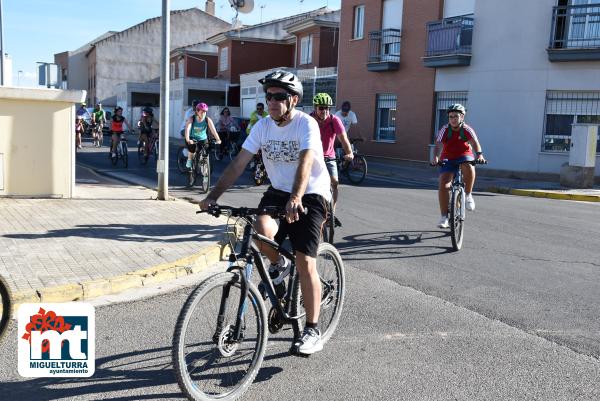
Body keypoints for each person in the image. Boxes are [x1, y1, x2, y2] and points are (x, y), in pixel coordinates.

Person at [199, 70, 331, 355]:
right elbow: (238, 164)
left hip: (310, 191)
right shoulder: (262, 127)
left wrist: (297, 196)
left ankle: (312, 329)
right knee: (257, 225)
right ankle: (278, 266)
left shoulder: (306, 124)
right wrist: (212, 196)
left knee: (305, 260)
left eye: (279, 96)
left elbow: (306, 161)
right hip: (279, 190)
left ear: (293, 100)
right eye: (269, 95)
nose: (272, 101)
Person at [431, 104, 486, 228]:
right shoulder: (444, 129)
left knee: (469, 165)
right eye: (451, 117)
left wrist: (480, 155)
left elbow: (475, 142)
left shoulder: (467, 129)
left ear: (462, 117)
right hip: (448, 157)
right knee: (444, 185)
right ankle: (444, 217)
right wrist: (436, 157)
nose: (453, 119)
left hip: (464, 155)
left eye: (456, 116)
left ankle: (468, 195)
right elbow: (438, 144)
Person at [310, 93, 353, 217]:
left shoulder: (334, 120)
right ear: (315, 107)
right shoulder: (309, 120)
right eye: (322, 108)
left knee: (335, 183)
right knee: (305, 182)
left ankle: (332, 212)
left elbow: (343, 138)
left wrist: (349, 152)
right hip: (311, 156)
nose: (325, 111)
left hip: (329, 156)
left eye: (327, 108)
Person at [184, 102, 221, 170]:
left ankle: (204, 166)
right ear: (197, 111)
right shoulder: (192, 119)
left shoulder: (207, 119)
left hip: (203, 138)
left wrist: (218, 139)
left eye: (205, 112)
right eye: (202, 112)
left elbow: (213, 130)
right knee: (192, 149)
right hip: (193, 138)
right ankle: (189, 160)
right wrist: (188, 139)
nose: (203, 114)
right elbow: (187, 130)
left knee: (206, 150)